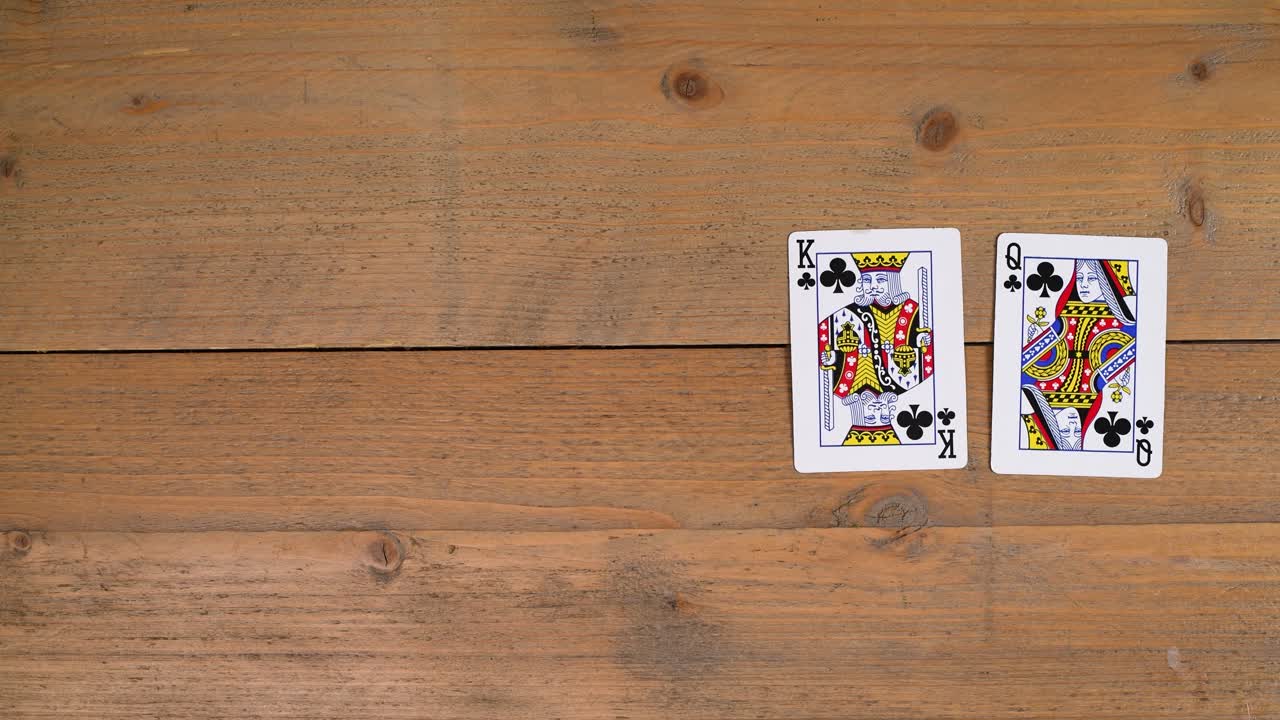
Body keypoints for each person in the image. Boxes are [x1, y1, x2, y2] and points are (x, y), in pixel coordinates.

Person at [1020, 258, 1137, 449]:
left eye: (1091, 277)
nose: (1084, 284)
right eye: (1080, 277)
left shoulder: (1125, 320)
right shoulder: (1035, 387)